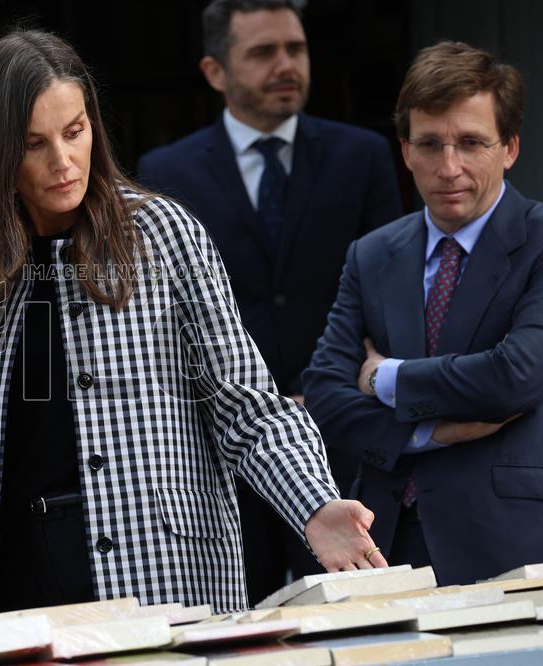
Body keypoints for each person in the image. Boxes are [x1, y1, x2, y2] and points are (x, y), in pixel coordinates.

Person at [0, 29, 387, 625]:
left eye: (74, 132)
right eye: (33, 144)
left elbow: (244, 401)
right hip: (19, 579)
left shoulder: (161, 235)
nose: (64, 162)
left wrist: (314, 504)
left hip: (160, 569)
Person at [137, 0, 402, 603]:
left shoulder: (361, 155)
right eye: (263, 52)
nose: (286, 64)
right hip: (222, 454)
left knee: (363, 620)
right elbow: (160, 319)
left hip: (340, 443)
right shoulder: (164, 172)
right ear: (215, 71)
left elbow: (386, 299)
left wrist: (331, 387)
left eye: (296, 49)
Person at [302, 41, 543, 585]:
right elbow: (323, 393)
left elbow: (515, 375)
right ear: (404, 150)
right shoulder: (370, 254)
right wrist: (428, 434)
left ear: (509, 147)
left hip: (513, 541)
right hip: (386, 542)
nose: (449, 167)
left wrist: (382, 376)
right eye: (430, 144)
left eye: (470, 143)